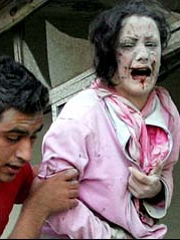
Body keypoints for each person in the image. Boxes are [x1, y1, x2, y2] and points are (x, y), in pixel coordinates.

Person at [37, 0, 180, 239]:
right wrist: (110, 236)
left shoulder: (166, 110)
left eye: (151, 44)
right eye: (128, 45)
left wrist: (157, 189)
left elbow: (167, 168)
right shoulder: (81, 115)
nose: (144, 55)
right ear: (108, 54)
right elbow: (49, 198)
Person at [0, 55, 79, 239]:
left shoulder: (10, 168)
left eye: (32, 137)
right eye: (13, 137)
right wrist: (37, 208)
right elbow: (41, 198)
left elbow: (44, 182)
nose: (26, 155)